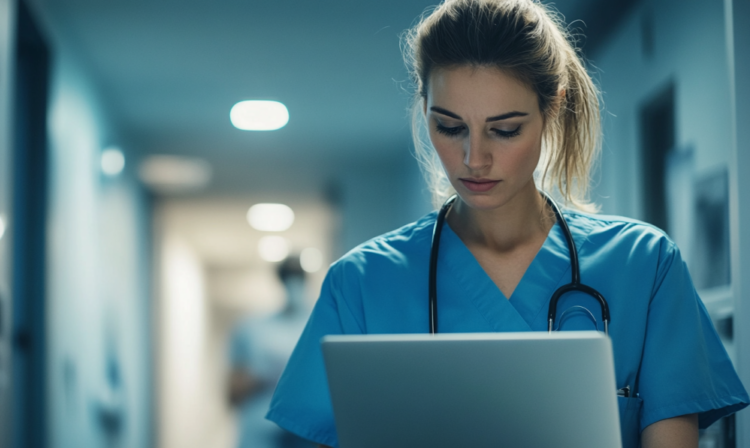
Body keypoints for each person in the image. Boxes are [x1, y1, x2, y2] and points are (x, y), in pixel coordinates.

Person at [265, 0, 749, 447]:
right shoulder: (362, 284)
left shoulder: (644, 265)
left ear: (552, 109)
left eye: (505, 129)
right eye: (450, 127)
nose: (474, 158)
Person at [228, 256, 313, 448]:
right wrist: (258, 377)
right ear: (280, 280)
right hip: (260, 435)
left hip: (304, 434)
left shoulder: (318, 326)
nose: (293, 283)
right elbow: (231, 394)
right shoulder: (251, 328)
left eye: (298, 276)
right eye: (288, 276)